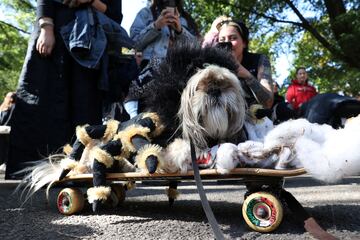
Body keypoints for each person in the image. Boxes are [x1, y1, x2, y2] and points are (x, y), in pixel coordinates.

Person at [5, 0, 128, 179]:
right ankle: (33, 172)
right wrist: (46, 27)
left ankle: (79, 170)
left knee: (85, 105)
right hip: (54, 33)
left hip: (89, 45)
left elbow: (115, 15)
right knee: (42, 100)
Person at [124, 0, 199, 118]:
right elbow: (133, 44)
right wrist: (156, 26)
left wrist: (180, 30)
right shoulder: (145, 14)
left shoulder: (186, 19)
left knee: (172, 118)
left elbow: (197, 49)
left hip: (179, 77)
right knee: (147, 117)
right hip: (149, 76)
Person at [216, 18, 274, 109]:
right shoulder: (213, 65)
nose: (227, 43)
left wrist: (246, 75)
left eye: (233, 38)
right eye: (222, 40)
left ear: (244, 43)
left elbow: (268, 103)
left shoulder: (260, 60)